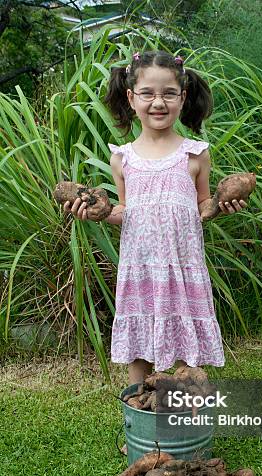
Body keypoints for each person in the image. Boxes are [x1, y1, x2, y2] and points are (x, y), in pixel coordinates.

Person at [64, 49, 247, 386]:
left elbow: (201, 205)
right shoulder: (123, 158)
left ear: (183, 96)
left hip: (181, 267)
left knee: (182, 347)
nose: (158, 102)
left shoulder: (195, 153)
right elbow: (126, 211)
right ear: (132, 98)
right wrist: (98, 212)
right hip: (141, 268)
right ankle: (138, 426)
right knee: (139, 350)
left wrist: (220, 205)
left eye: (168, 93)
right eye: (147, 94)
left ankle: (180, 425)